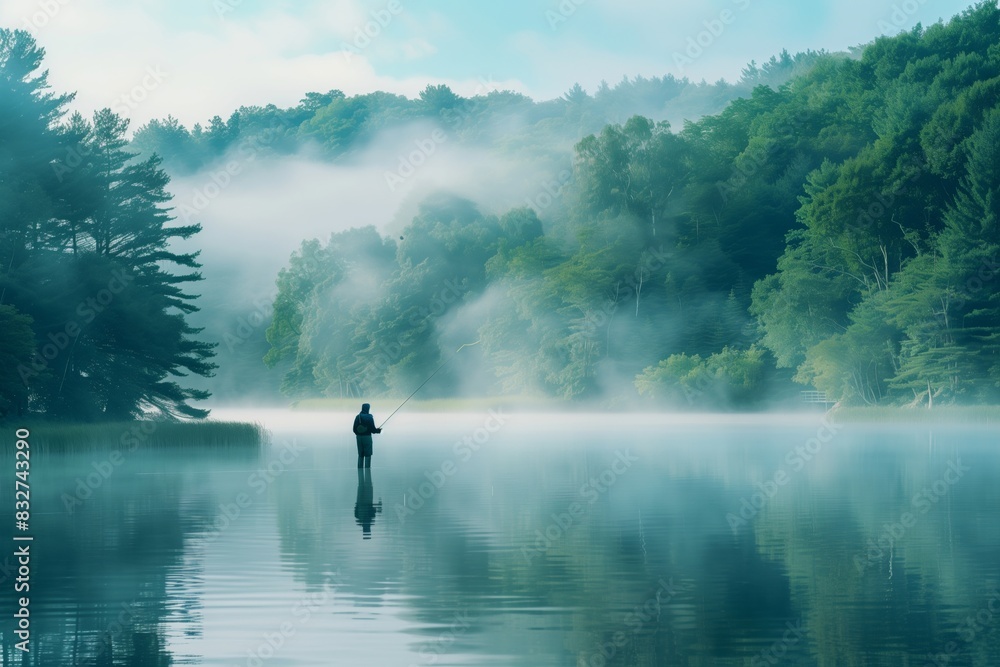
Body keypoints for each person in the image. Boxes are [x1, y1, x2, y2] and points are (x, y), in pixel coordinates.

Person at [353, 402, 382, 468]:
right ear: (368, 408)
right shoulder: (369, 417)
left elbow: (354, 429)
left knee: (360, 454)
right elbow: (373, 430)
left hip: (359, 438)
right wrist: (378, 431)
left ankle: (360, 469)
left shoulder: (358, 417)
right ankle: (367, 469)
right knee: (368, 454)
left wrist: (359, 433)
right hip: (367, 437)